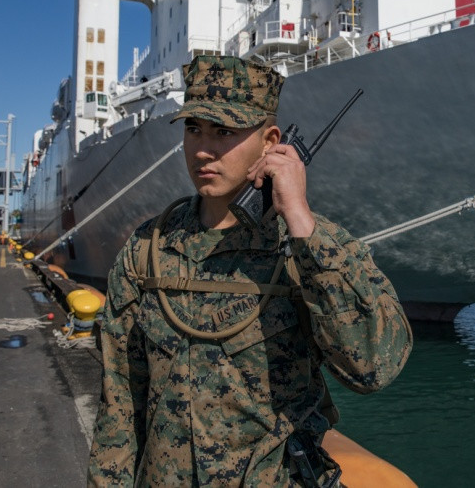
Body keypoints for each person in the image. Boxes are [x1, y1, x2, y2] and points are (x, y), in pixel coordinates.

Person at [88, 56, 412, 486]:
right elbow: (121, 404)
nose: (203, 149)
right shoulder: (148, 249)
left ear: (270, 141)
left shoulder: (311, 246)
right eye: (193, 129)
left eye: (224, 132)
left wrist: (298, 217)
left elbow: (372, 367)